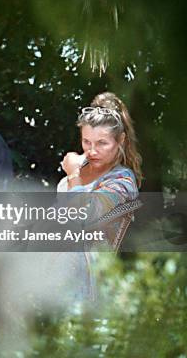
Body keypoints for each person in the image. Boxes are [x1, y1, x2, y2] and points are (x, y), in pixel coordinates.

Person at [55, 92, 143, 300]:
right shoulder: (76, 172)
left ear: (120, 140)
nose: (92, 151)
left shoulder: (123, 181)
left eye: (102, 143)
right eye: (87, 142)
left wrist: (73, 175)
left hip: (86, 281)